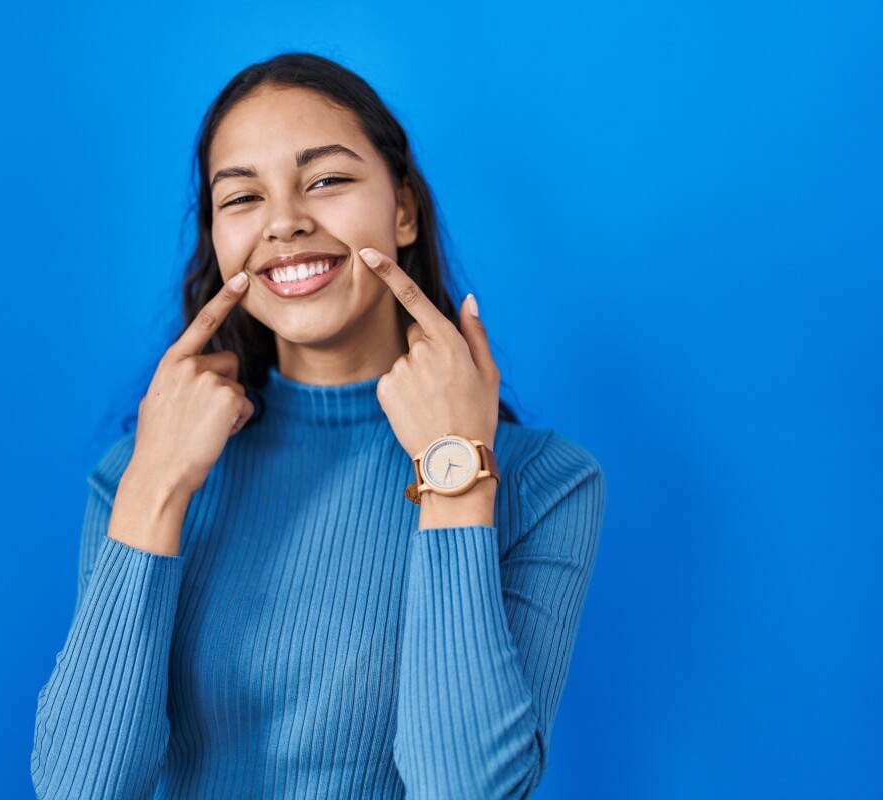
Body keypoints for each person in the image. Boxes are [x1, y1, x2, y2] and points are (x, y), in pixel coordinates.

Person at [31, 52, 606, 800]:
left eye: (327, 180)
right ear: (215, 237)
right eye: (241, 198)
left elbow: (466, 790)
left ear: (403, 209)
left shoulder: (545, 483)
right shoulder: (135, 474)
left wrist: (453, 469)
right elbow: (81, 790)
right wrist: (156, 488)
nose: (285, 222)